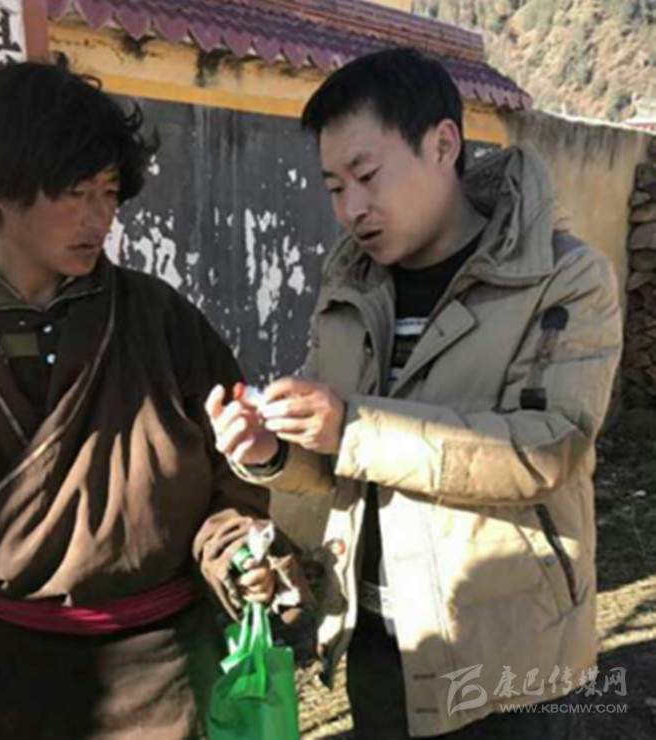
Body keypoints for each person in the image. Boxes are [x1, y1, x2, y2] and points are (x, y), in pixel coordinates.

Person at [206, 48, 623, 738]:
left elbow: (548, 449)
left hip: (510, 657)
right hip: (377, 641)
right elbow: (342, 464)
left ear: (443, 144)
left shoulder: (562, 279)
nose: (352, 208)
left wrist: (351, 426)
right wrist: (273, 452)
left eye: (367, 175)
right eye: (334, 186)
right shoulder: (351, 287)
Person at [0, 59, 286, 740]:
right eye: (75, 193)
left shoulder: (158, 318)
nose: (100, 219)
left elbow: (232, 476)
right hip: (17, 680)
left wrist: (237, 548)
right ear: (2, 189)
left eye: (110, 193)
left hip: (169, 671)